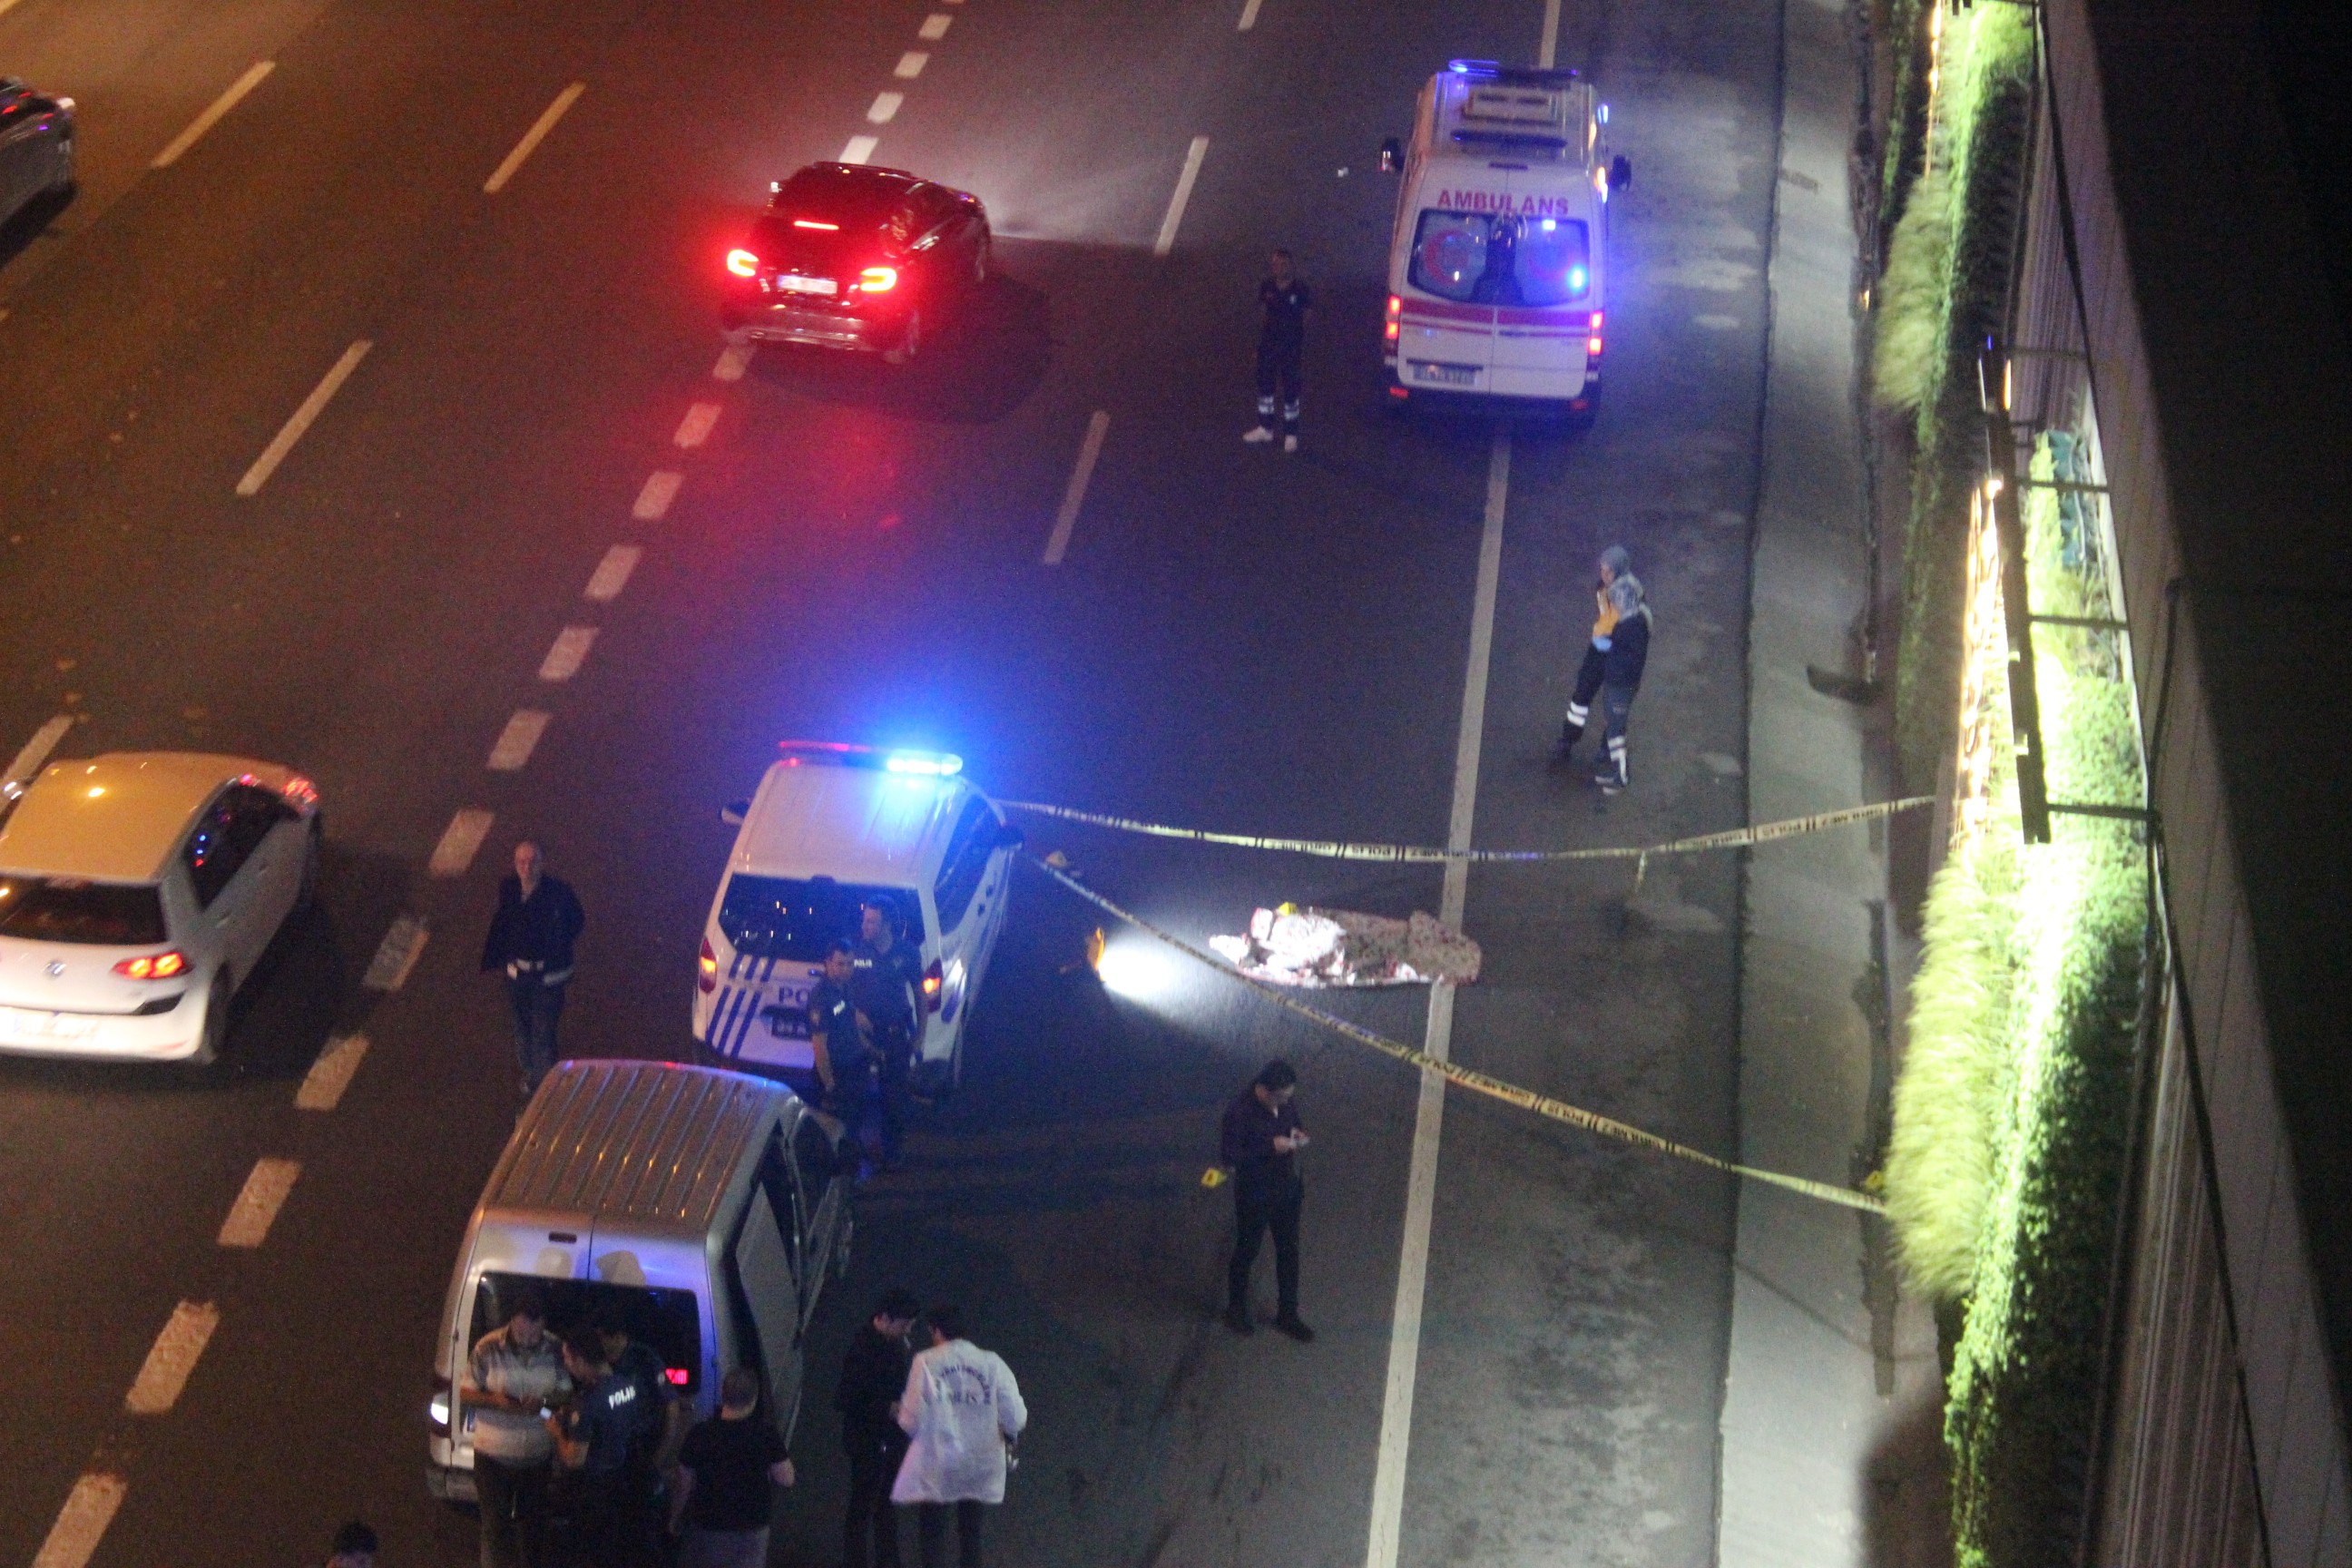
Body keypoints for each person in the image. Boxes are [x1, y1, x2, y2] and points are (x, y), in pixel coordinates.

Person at [891, 1306, 1028, 1568]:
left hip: (939, 1462)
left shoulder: (926, 1362)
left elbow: (909, 1420)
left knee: (933, 1534)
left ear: (936, 1330)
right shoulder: (993, 1364)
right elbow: (1017, 1418)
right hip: (980, 1462)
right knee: (970, 1534)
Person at [462, 1288, 571, 1568]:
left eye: (534, 1335)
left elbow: (566, 1395)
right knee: (494, 1528)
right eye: (522, 1334)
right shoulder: (487, 1348)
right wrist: (495, 1401)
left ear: (544, 1325)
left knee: (533, 1529)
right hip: (492, 1458)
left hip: (537, 1458)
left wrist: (543, 1403)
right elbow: (465, 1393)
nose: (527, 1341)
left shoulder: (557, 1349)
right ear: (511, 1322)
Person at [480, 841, 586, 1099]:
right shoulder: (509, 890)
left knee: (543, 1032)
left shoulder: (559, 893)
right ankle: (533, 1074)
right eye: (521, 862)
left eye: (532, 861)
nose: (526, 868)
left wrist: (554, 946)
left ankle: (543, 1088)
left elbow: (577, 921)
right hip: (518, 974)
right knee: (522, 1027)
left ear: (542, 863)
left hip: (548, 977)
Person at [1222, 1059, 1313, 1341]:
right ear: (1264, 1090)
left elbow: (1294, 1122)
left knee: (1289, 1251)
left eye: (1289, 1097)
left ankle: (1288, 1313)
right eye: (1282, 1097)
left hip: (1285, 1189)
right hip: (1255, 1194)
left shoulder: (1284, 1102)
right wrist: (1270, 1147)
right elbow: (1230, 1160)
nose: (1286, 1101)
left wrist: (1297, 1134)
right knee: (1248, 1250)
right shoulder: (1239, 1113)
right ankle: (1235, 1309)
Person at [670, 1367, 792, 1568]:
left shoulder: (700, 1434)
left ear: (723, 1395)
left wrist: (674, 1518)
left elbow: (683, 1482)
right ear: (753, 1400)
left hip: (709, 1524)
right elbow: (786, 1478)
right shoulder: (765, 1434)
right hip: (752, 1526)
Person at [836, 1289, 921, 1568]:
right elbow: (844, 1398)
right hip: (868, 1442)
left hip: (888, 1441)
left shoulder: (891, 1343)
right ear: (885, 1319)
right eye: (905, 1324)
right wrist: (887, 1407)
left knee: (884, 1502)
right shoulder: (862, 1351)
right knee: (864, 1505)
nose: (908, 1330)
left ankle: (888, 1560)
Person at [550, 1328, 648, 1567]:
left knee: (587, 1553)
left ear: (580, 1360)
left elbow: (574, 1459)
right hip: (622, 1481)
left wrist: (554, 1432)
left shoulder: (588, 1401)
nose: (566, 1364)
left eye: (567, 1358)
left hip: (593, 1492)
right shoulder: (626, 1385)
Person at [595, 1309, 685, 1556]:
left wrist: (661, 1452)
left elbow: (670, 1404)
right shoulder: (600, 1361)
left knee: (643, 1526)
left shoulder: (645, 1360)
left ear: (618, 1336)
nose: (600, 1342)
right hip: (609, 1456)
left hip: (641, 1452)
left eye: (604, 1336)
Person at [852, 901, 926, 1170]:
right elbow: (840, 988)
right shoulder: (856, 950)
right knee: (853, 1098)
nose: (864, 926)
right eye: (864, 920)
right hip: (861, 1038)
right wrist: (854, 1014)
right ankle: (851, 1153)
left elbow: (920, 995)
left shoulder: (907, 953)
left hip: (895, 1036)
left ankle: (891, 1155)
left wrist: (920, 1036)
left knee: (894, 1100)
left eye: (871, 921)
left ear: (887, 925)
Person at [1559, 545, 1632, 758]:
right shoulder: (1603, 589)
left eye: (1608, 571)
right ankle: (1568, 739)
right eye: (1602, 569)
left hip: (1618, 656)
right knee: (1581, 697)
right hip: (1598, 651)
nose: (1603, 574)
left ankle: (1608, 747)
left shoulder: (1629, 598)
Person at [1243, 249, 1312, 453]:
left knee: (1291, 391)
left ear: (1291, 266)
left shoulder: (1300, 290)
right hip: (1269, 346)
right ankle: (1265, 427)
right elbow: (1263, 315)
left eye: (1283, 264)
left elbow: (1308, 315)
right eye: (1275, 264)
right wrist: (1260, 346)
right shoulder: (1267, 287)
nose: (1279, 268)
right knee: (1265, 388)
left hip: (1290, 347)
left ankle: (1291, 433)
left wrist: (1294, 333)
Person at [1592, 572, 1652, 794]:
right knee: (1615, 721)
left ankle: (1621, 776)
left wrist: (1605, 642)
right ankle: (1607, 755)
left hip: (1621, 683)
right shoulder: (1636, 620)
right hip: (1623, 682)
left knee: (1616, 728)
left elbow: (1613, 648)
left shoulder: (1629, 627)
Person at [808, 940, 877, 1132]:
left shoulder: (844, 988)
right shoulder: (821, 997)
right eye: (840, 964)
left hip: (855, 1070)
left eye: (849, 964)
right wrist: (830, 1087)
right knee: (835, 1133)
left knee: (854, 1127)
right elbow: (819, 1047)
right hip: (838, 1075)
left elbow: (851, 1023)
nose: (846, 969)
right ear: (828, 963)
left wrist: (870, 1049)